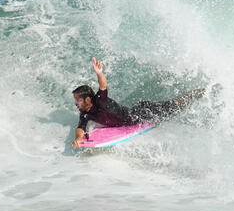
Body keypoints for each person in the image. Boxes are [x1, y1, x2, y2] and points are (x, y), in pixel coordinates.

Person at [72, 57, 205, 148]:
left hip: (141, 113)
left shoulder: (100, 101)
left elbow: (103, 86)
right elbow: (81, 127)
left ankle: (198, 93)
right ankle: (194, 94)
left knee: (174, 107)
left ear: (87, 99)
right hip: (135, 117)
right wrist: (79, 138)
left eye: (78, 100)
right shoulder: (85, 113)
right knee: (173, 110)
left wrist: (99, 73)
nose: (75, 103)